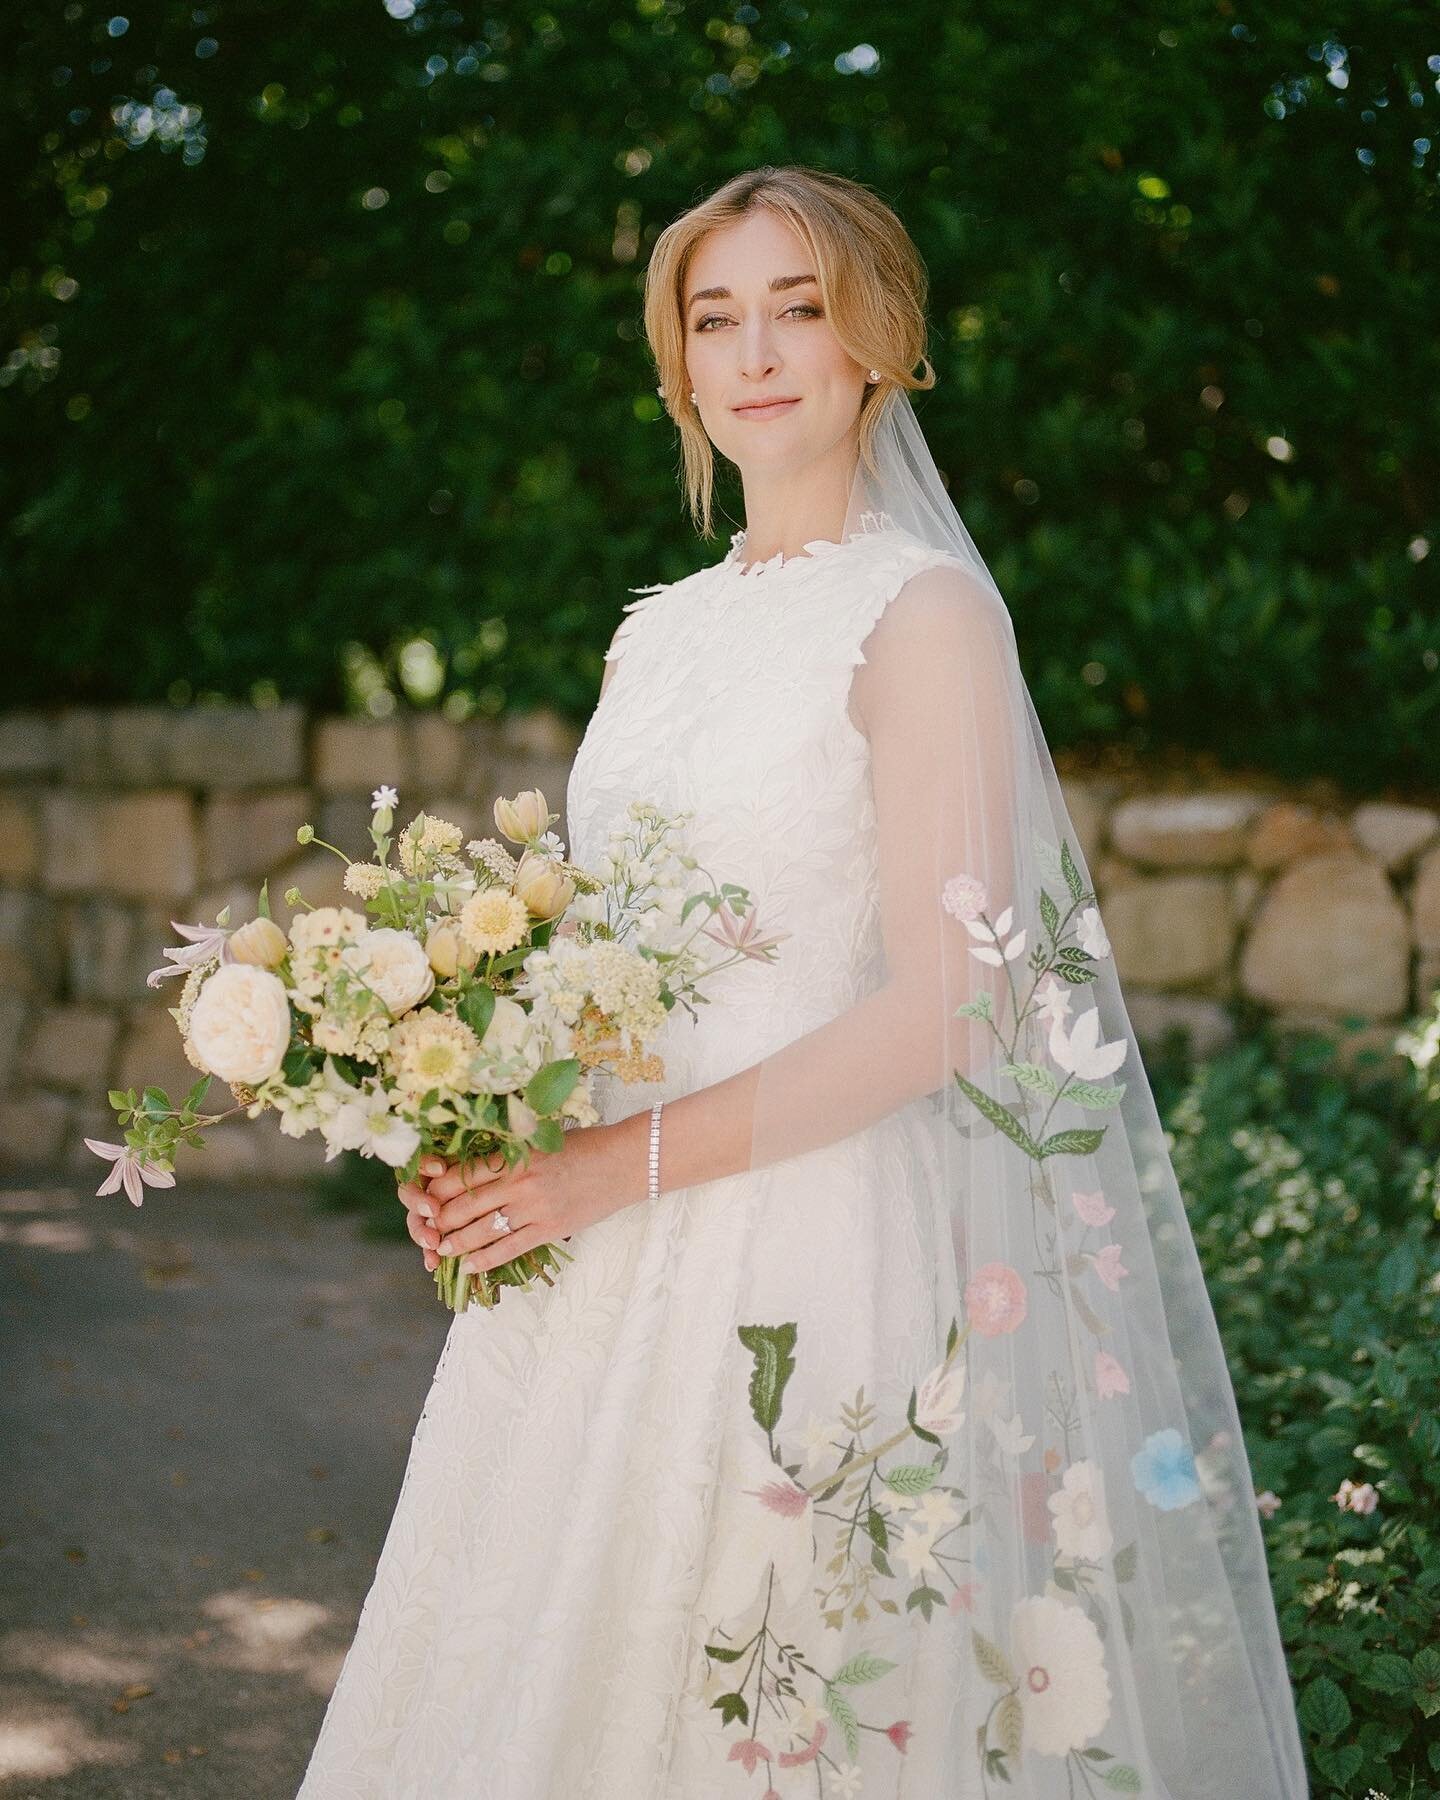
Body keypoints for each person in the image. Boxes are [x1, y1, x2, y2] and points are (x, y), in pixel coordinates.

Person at [296, 166, 1310, 1799]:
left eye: (799, 307)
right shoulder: (657, 633)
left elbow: (949, 1013)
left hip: (807, 1243)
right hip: (592, 1255)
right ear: (679, 365)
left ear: (879, 345)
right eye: (716, 316)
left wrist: (593, 1168)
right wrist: (487, 1124)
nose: (756, 350)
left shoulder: (923, 617)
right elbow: (610, 960)